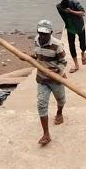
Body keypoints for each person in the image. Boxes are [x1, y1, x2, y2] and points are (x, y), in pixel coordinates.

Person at [30, 18, 68, 146]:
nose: (43, 36)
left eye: (46, 33)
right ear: (37, 31)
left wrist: (57, 70)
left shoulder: (57, 45)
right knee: (41, 104)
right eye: (41, 33)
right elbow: (37, 55)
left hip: (56, 79)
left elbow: (64, 62)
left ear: (51, 32)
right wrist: (30, 57)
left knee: (61, 99)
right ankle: (46, 134)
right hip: (42, 79)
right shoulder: (36, 40)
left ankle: (59, 113)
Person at [57, 0, 86, 72]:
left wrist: (71, 11)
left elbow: (83, 13)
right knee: (71, 45)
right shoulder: (59, 7)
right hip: (70, 28)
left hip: (79, 26)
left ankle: (83, 53)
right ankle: (76, 65)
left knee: (82, 44)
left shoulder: (75, 3)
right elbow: (57, 7)